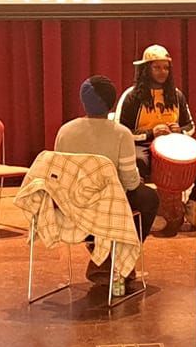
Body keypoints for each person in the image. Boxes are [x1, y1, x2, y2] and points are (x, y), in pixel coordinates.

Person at [55, 76, 160, 285]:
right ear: (112, 102)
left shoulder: (65, 131)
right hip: (106, 210)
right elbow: (130, 183)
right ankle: (115, 260)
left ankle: (99, 250)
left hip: (69, 206)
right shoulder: (121, 134)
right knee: (149, 199)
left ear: (83, 101)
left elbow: (58, 173)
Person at [116, 44, 196, 234]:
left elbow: (191, 126)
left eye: (165, 68)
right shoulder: (131, 96)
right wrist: (150, 133)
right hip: (143, 146)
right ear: (146, 69)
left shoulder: (176, 95)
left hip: (174, 144)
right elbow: (121, 130)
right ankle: (147, 211)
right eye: (157, 67)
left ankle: (191, 203)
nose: (162, 72)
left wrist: (179, 131)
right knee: (138, 161)